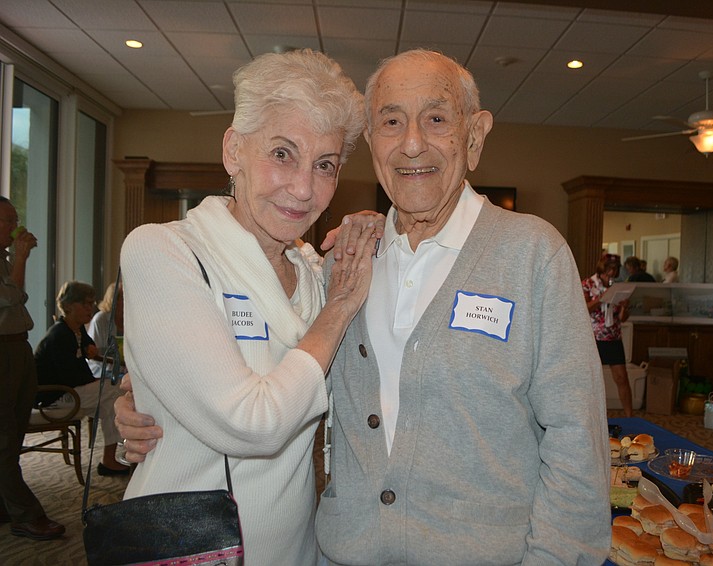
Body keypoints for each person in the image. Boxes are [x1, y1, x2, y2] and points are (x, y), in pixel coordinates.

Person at [117, 49, 610, 564]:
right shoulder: (342, 270)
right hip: (226, 549)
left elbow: (576, 439)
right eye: (392, 122)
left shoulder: (527, 255)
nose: (412, 143)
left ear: (474, 136)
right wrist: (147, 394)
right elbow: (246, 393)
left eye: (436, 119)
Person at [116, 50, 377, 565]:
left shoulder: (314, 274)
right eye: (282, 153)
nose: (303, 188)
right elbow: (251, 423)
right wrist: (339, 309)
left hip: (294, 547)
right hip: (191, 547)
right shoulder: (164, 251)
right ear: (234, 150)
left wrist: (382, 232)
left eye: (324, 165)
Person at [0, 197, 65, 541]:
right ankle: (27, 515)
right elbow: (9, 298)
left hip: (17, 347)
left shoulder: (3, 259)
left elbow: (16, 297)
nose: (15, 227)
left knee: (14, 431)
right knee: (4, 436)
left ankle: (6, 504)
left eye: (15, 220)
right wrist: (21, 258)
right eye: (7, 221)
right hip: (3, 350)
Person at [33, 281, 129, 475]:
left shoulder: (76, 330)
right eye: (85, 303)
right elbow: (70, 375)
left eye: (91, 303)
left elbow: (89, 350)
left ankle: (109, 460)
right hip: (54, 397)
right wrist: (97, 378)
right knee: (116, 389)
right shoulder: (59, 335)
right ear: (69, 306)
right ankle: (111, 458)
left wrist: (91, 351)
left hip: (71, 390)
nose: (90, 308)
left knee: (111, 400)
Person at [583, 253, 634, 417]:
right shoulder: (588, 284)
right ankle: (590, 416)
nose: (611, 273)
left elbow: (622, 318)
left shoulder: (617, 287)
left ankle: (629, 416)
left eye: (614, 269)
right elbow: (583, 309)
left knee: (621, 377)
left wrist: (625, 306)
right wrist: (601, 298)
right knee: (591, 379)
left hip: (613, 337)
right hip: (593, 338)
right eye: (608, 269)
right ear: (602, 268)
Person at [86, 281, 123, 379]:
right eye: (124, 298)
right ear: (114, 300)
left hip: (123, 371)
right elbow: (93, 354)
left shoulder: (132, 320)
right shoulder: (100, 320)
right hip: (102, 370)